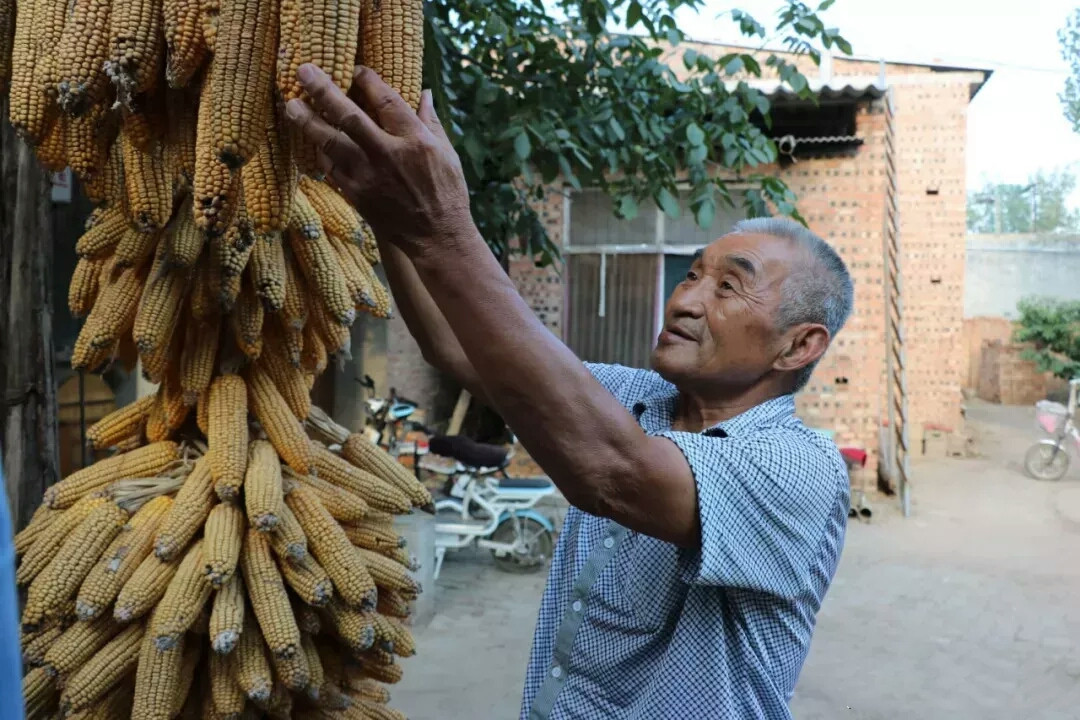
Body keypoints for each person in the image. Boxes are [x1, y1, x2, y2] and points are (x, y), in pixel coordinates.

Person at [286, 63, 853, 720]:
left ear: (800, 346)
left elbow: (614, 474)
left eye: (728, 287)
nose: (687, 299)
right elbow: (457, 347)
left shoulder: (800, 467)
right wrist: (385, 211)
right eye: (692, 274)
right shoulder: (631, 400)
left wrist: (443, 224)